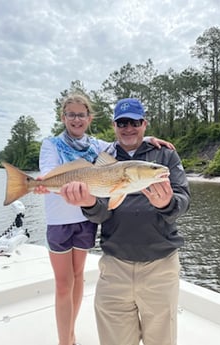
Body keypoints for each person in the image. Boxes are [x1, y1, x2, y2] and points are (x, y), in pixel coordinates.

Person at [35, 94, 176, 345]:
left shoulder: (99, 146)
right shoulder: (51, 143)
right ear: (63, 117)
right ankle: (65, 341)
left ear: (89, 118)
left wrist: (149, 140)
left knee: (77, 278)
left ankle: (71, 334)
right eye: (71, 114)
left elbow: (125, 147)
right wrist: (42, 183)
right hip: (60, 219)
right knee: (63, 283)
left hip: (85, 218)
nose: (77, 119)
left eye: (81, 115)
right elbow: (47, 174)